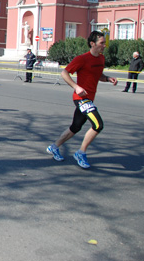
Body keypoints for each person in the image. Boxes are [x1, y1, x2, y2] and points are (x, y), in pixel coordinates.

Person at [46, 31, 118, 169]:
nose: (104, 45)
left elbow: (98, 75)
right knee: (98, 125)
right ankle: (81, 153)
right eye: (102, 43)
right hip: (81, 98)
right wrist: (76, 87)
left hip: (89, 99)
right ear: (92, 44)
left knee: (75, 127)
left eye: (104, 43)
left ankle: (54, 147)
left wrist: (108, 78)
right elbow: (64, 72)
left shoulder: (101, 59)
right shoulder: (82, 58)